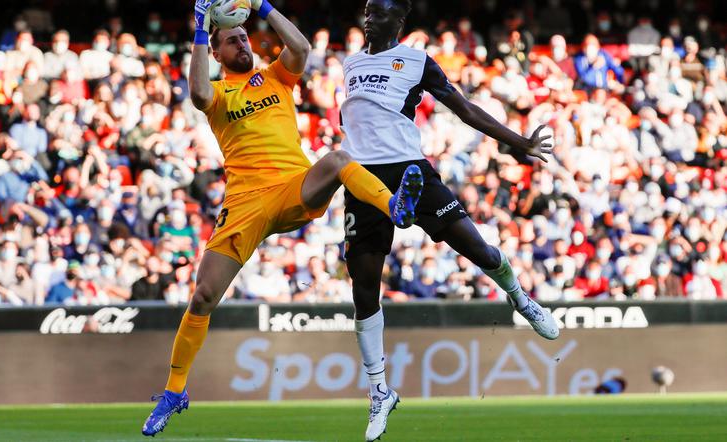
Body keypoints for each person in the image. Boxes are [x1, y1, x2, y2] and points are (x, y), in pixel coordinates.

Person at [141, 0, 424, 436]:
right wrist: (199, 27)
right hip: (245, 203)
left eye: (244, 38)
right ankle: (175, 391)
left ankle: (394, 206)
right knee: (203, 296)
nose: (242, 44)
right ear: (216, 53)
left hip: (294, 187)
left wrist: (262, 5)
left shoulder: (274, 76)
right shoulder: (219, 94)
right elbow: (197, 93)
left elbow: (302, 48)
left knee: (337, 159)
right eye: (231, 41)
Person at [339, 1, 559, 439]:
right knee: (363, 289)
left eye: (378, 12)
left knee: (478, 250)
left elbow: (465, 109)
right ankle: (379, 392)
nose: (368, 17)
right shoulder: (350, 63)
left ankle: (520, 298)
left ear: (398, 21)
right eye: (366, 10)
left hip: (410, 170)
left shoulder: (416, 61)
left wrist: (520, 143)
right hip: (361, 179)